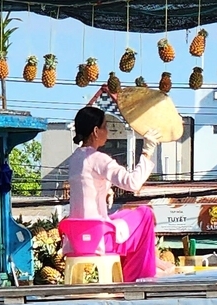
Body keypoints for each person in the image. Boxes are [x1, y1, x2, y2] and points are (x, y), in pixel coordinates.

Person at [66, 105, 159, 281]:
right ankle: (138, 277)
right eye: (105, 126)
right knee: (145, 214)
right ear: (95, 131)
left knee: (123, 214)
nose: (108, 131)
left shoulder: (76, 158)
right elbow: (133, 183)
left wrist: (106, 189)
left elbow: (87, 182)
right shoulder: (98, 158)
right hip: (98, 238)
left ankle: (127, 274)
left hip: (78, 239)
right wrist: (147, 152)